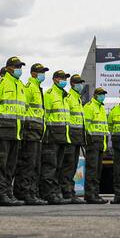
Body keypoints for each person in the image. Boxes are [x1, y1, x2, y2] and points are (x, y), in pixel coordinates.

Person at [0, 56, 26, 207]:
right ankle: (0, 194)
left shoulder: (20, 86)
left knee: (11, 165)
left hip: (16, 131)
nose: (19, 69)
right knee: (0, 164)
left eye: (20, 67)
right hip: (3, 129)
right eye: (17, 67)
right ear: (9, 68)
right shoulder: (1, 83)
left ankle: (8, 192)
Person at [16, 62, 48, 205]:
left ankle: (32, 192)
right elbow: (23, 108)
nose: (43, 74)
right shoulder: (29, 87)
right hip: (30, 131)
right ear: (33, 73)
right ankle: (25, 192)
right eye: (41, 72)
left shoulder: (37, 88)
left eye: (44, 72)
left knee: (35, 165)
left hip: (37, 131)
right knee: (28, 164)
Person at [41, 70, 72, 204]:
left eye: (65, 78)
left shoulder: (64, 97)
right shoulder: (49, 94)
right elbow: (44, 115)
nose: (64, 80)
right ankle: (48, 194)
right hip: (51, 137)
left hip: (62, 137)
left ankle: (55, 192)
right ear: (54, 80)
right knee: (50, 167)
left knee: (58, 167)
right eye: (61, 78)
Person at [82, 86, 110, 204]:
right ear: (95, 95)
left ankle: (95, 194)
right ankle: (90, 194)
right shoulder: (89, 107)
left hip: (100, 144)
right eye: (101, 94)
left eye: (103, 94)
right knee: (92, 170)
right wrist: (88, 141)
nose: (103, 96)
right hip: (92, 143)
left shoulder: (102, 108)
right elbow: (86, 126)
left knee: (97, 171)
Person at [62, 74, 87, 203]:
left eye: (81, 83)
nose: (80, 85)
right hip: (70, 137)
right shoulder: (69, 97)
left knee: (72, 166)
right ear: (72, 84)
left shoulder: (77, 98)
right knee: (68, 166)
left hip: (77, 138)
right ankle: (67, 193)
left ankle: (70, 192)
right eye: (78, 83)